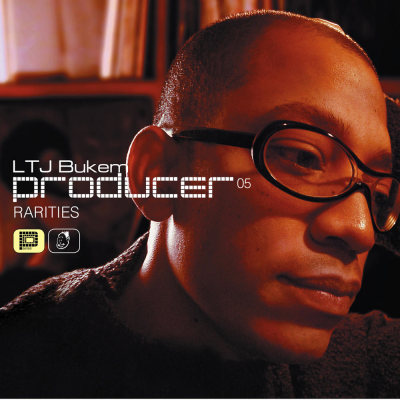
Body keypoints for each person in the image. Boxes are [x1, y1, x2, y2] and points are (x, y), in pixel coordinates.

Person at [1, 10, 400, 397]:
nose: (362, 231)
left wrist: (350, 79)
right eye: (303, 158)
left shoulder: (365, 362)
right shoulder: (22, 363)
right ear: (159, 174)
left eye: (379, 195)